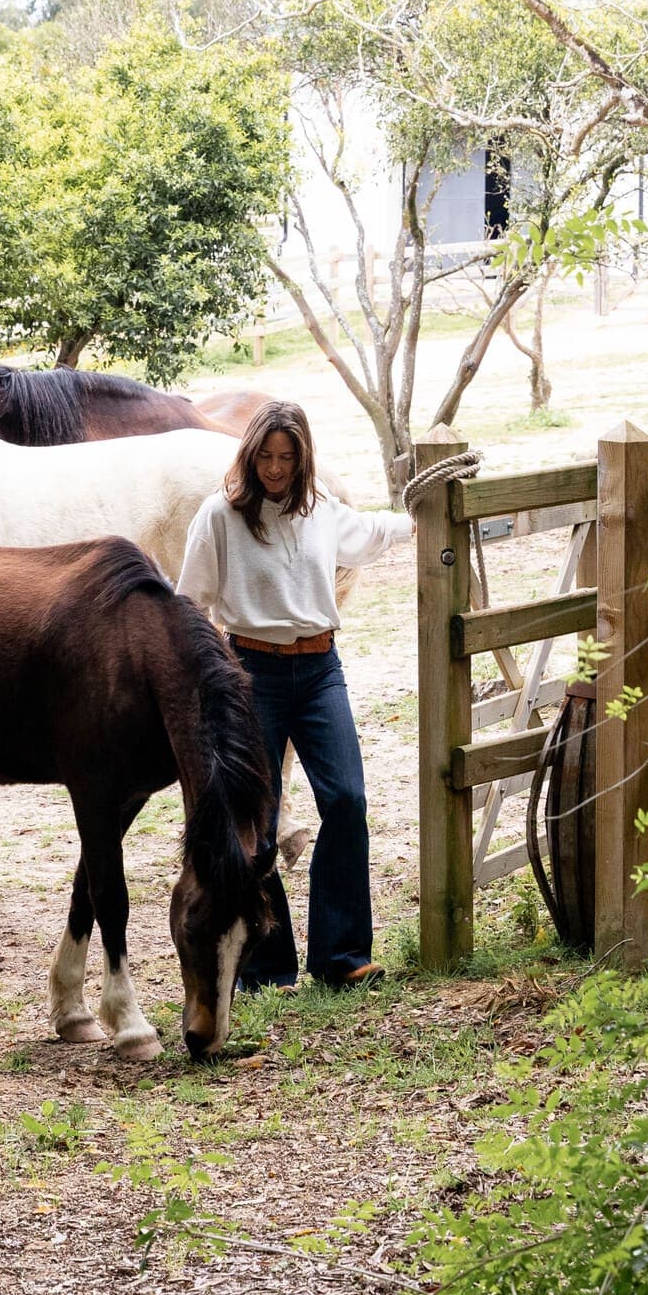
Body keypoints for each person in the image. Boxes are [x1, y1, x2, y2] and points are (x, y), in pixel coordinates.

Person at [176, 399, 412, 990]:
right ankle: (267, 964)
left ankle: (342, 955)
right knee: (257, 820)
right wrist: (207, 684)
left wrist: (419, 516)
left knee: (347, 800)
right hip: (251, 672)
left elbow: (370, 534)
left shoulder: (322, 509)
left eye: (286, 457)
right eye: (265, 455)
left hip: (320, 670)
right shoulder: (219, 516)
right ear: (249, 453)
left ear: (303, 459)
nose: (275, 468)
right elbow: (190, 603)